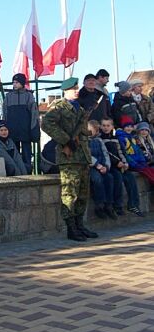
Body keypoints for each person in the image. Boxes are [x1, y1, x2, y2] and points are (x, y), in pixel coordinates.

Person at [41, 77, 97, 242]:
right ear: (65, 91)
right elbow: (46, 124)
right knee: (69, 193)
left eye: (77, 87)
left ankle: (80, 225)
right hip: (69, 157)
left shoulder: (79, 108)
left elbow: (81, 130)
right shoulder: (59, 107)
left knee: (83, 193)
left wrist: (88, 132)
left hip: (83, 155)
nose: (77, 90)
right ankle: (71, 228)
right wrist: (66, 140)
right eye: (73, 88)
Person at [99, 117, 144, 216]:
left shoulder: (115, 138)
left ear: (112, 127)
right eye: (104, 125)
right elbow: (106, 153)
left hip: (120, 164)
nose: (106, 128)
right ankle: (117, 205)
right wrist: (117, 163)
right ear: (100, 126)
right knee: (117, 179)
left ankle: (133, 204)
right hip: (111, 166)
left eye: (108, 125)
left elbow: (120, 152)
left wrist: (125, 162)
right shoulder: (100, 138)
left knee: (131, 178)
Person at [2, 73, 40, 173]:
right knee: (14, 154)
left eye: (17, 82)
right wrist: (5, 129)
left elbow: (34, 114)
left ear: (22, 83)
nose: (14, 84)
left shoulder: (29, 96)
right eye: (13, 82)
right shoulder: (8, 97)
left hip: (25, 131)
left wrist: (33, 129)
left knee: (27, 155)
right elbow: (4, 114)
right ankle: (16, 173)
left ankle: (28, 173)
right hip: (12, 131)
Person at [87, 120, 116, 220]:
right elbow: (87, 156)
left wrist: (106, 166)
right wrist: (97, 165)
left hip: (102, 165)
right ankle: (99, 205)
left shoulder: (99, 140)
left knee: (109, 178)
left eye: (92, 130)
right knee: (97, 179)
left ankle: (109, 204)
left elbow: (105, 154)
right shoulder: (85, 141)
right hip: (92, 166)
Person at [116, 116, 154, 186]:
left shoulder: (131, 138)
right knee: (148, 173)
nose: (129, 128)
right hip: (133, 164)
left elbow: (138, 151)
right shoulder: (121, 138)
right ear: (123, 127)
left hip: (140, 162)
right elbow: (125, 153)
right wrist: (135, 164)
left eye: (131, 126)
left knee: (151, 171)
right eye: (127, 126)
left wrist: (142, 161)